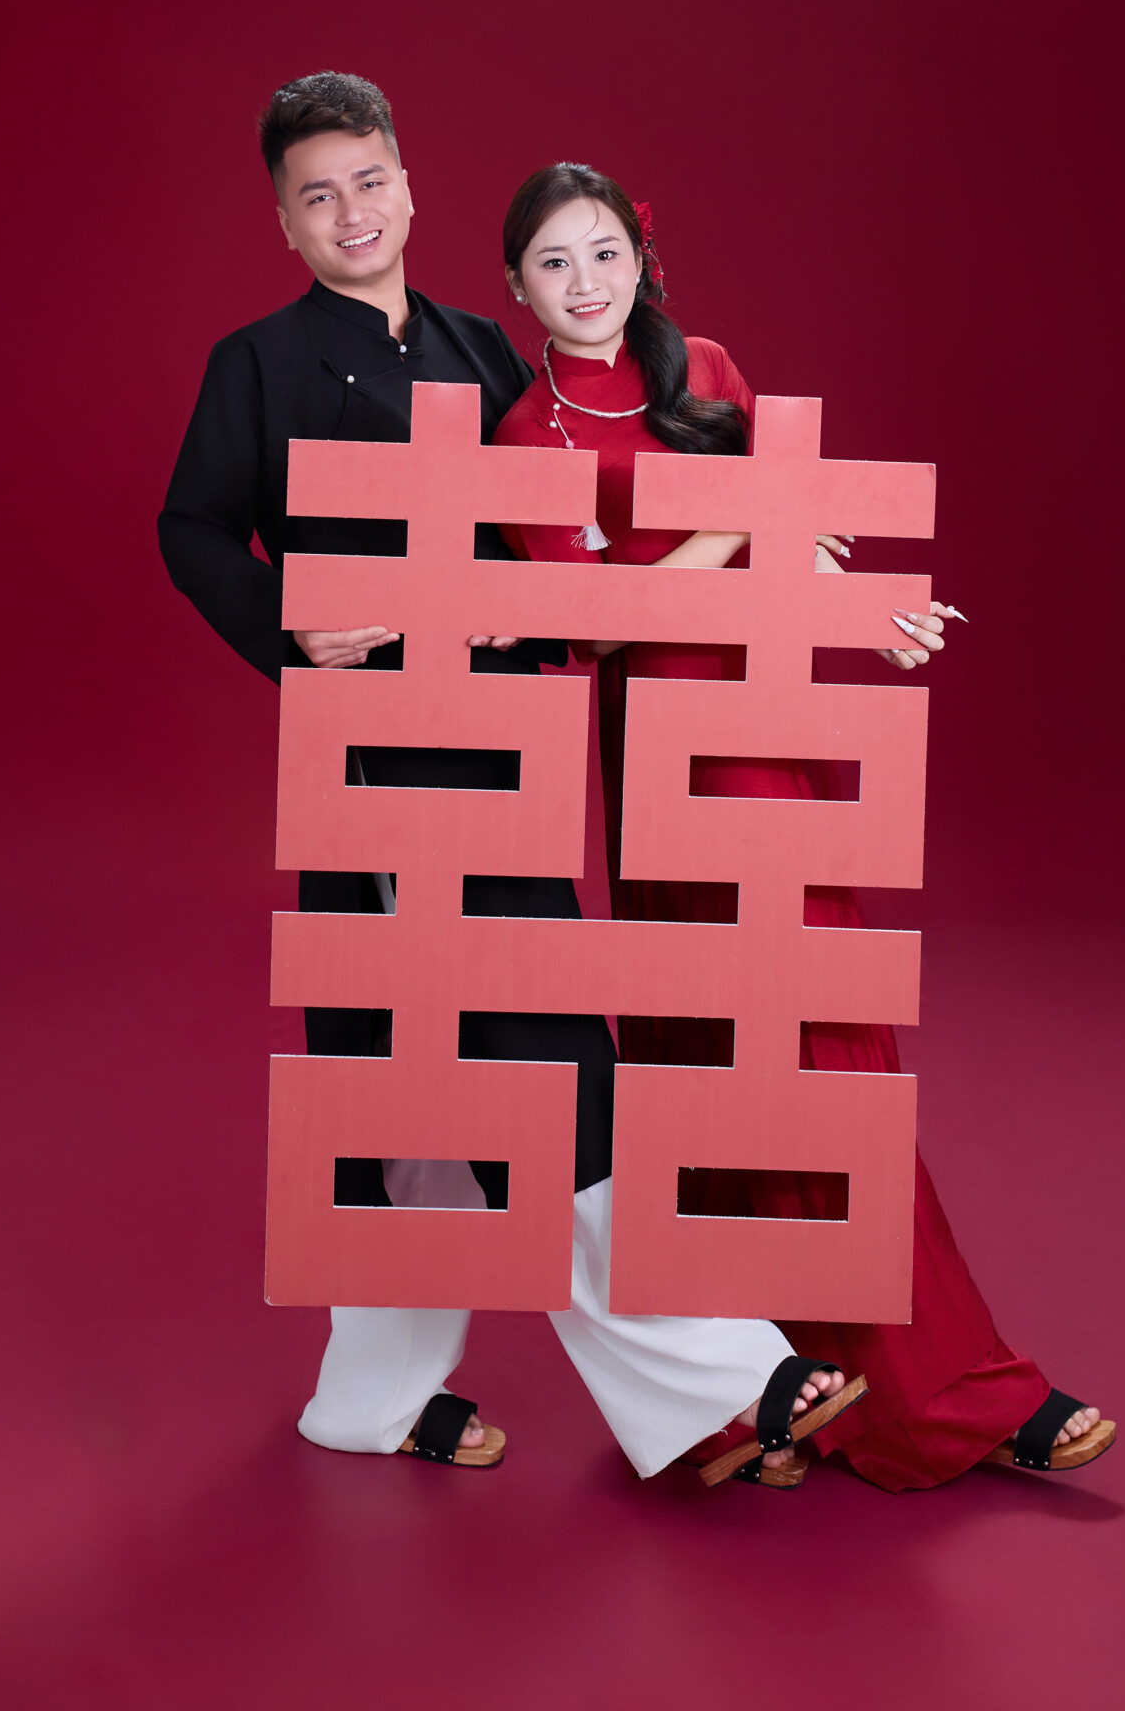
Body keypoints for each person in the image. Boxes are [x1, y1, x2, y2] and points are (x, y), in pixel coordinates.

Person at [158, 73, 862, 1486]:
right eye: (316, 194)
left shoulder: (488, 352)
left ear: (408, 187)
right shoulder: (257, 364)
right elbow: (191, 528)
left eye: (369, 180)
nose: (350, 212)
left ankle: (383, 1401)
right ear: (285, 221)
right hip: (374, 760)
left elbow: (576, 519)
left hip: (505, 745)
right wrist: (292, 620)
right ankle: (724, 1375)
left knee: (437, 1080)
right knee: (491, 1066)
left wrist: (757, 543)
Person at [492, 161, 1116, 1489]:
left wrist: (865, 612)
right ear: (516, 286)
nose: (586, 283)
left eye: (604, 254)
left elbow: (800, 529)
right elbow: (594, 624)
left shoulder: (704, 369)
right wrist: (736, 528)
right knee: (715, 1060)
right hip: (667, 754)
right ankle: (777, 1388)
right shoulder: (524, 435)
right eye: (555, 262)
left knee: (822, 1054)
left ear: (640, 261)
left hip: (768, 726)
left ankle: (916, 1383)